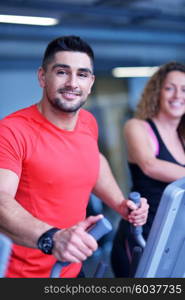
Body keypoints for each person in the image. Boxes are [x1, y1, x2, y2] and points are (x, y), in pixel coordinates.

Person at [0, 35, 148, 278]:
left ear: (90, 82)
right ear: (42, 77)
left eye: (81, 74)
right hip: (23, 275)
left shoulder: (87, 122)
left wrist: (121, 205)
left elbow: (93, 160)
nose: (72, 82)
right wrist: (52, 238)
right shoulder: (12, 131)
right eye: (61, 72)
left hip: (71, 269)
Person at [111, 61, 185, 277]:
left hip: (173, 238)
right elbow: (150, 165)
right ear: (157, 92)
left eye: (184, 89)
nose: (177, 95)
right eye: (170, 88)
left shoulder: (182, 136)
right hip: (141, 235)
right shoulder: (137, 126)